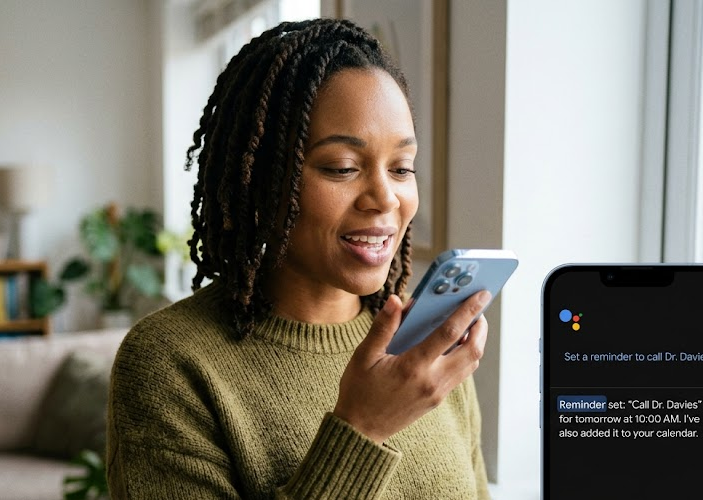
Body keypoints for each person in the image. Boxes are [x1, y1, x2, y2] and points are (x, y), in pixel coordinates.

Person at [106, 17, 492, 499]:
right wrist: (361, 429)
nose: (385, 198)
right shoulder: (171, 364)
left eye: (401, 168)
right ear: (263, 181)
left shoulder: (427, 347)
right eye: (342, 168)